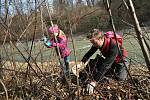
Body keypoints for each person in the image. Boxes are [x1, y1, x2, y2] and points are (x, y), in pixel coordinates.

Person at [80, 29, 128, 94]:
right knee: (95, 64)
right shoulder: (97, 42)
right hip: (110, 60)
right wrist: (82, 62)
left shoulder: (113, 45)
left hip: (120, 61)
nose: (93, 45)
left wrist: (94, 81)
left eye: (94, 43)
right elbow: (90, 52)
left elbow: (106, 65)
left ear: (101, 39)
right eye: (92, 43)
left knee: (120, 81)